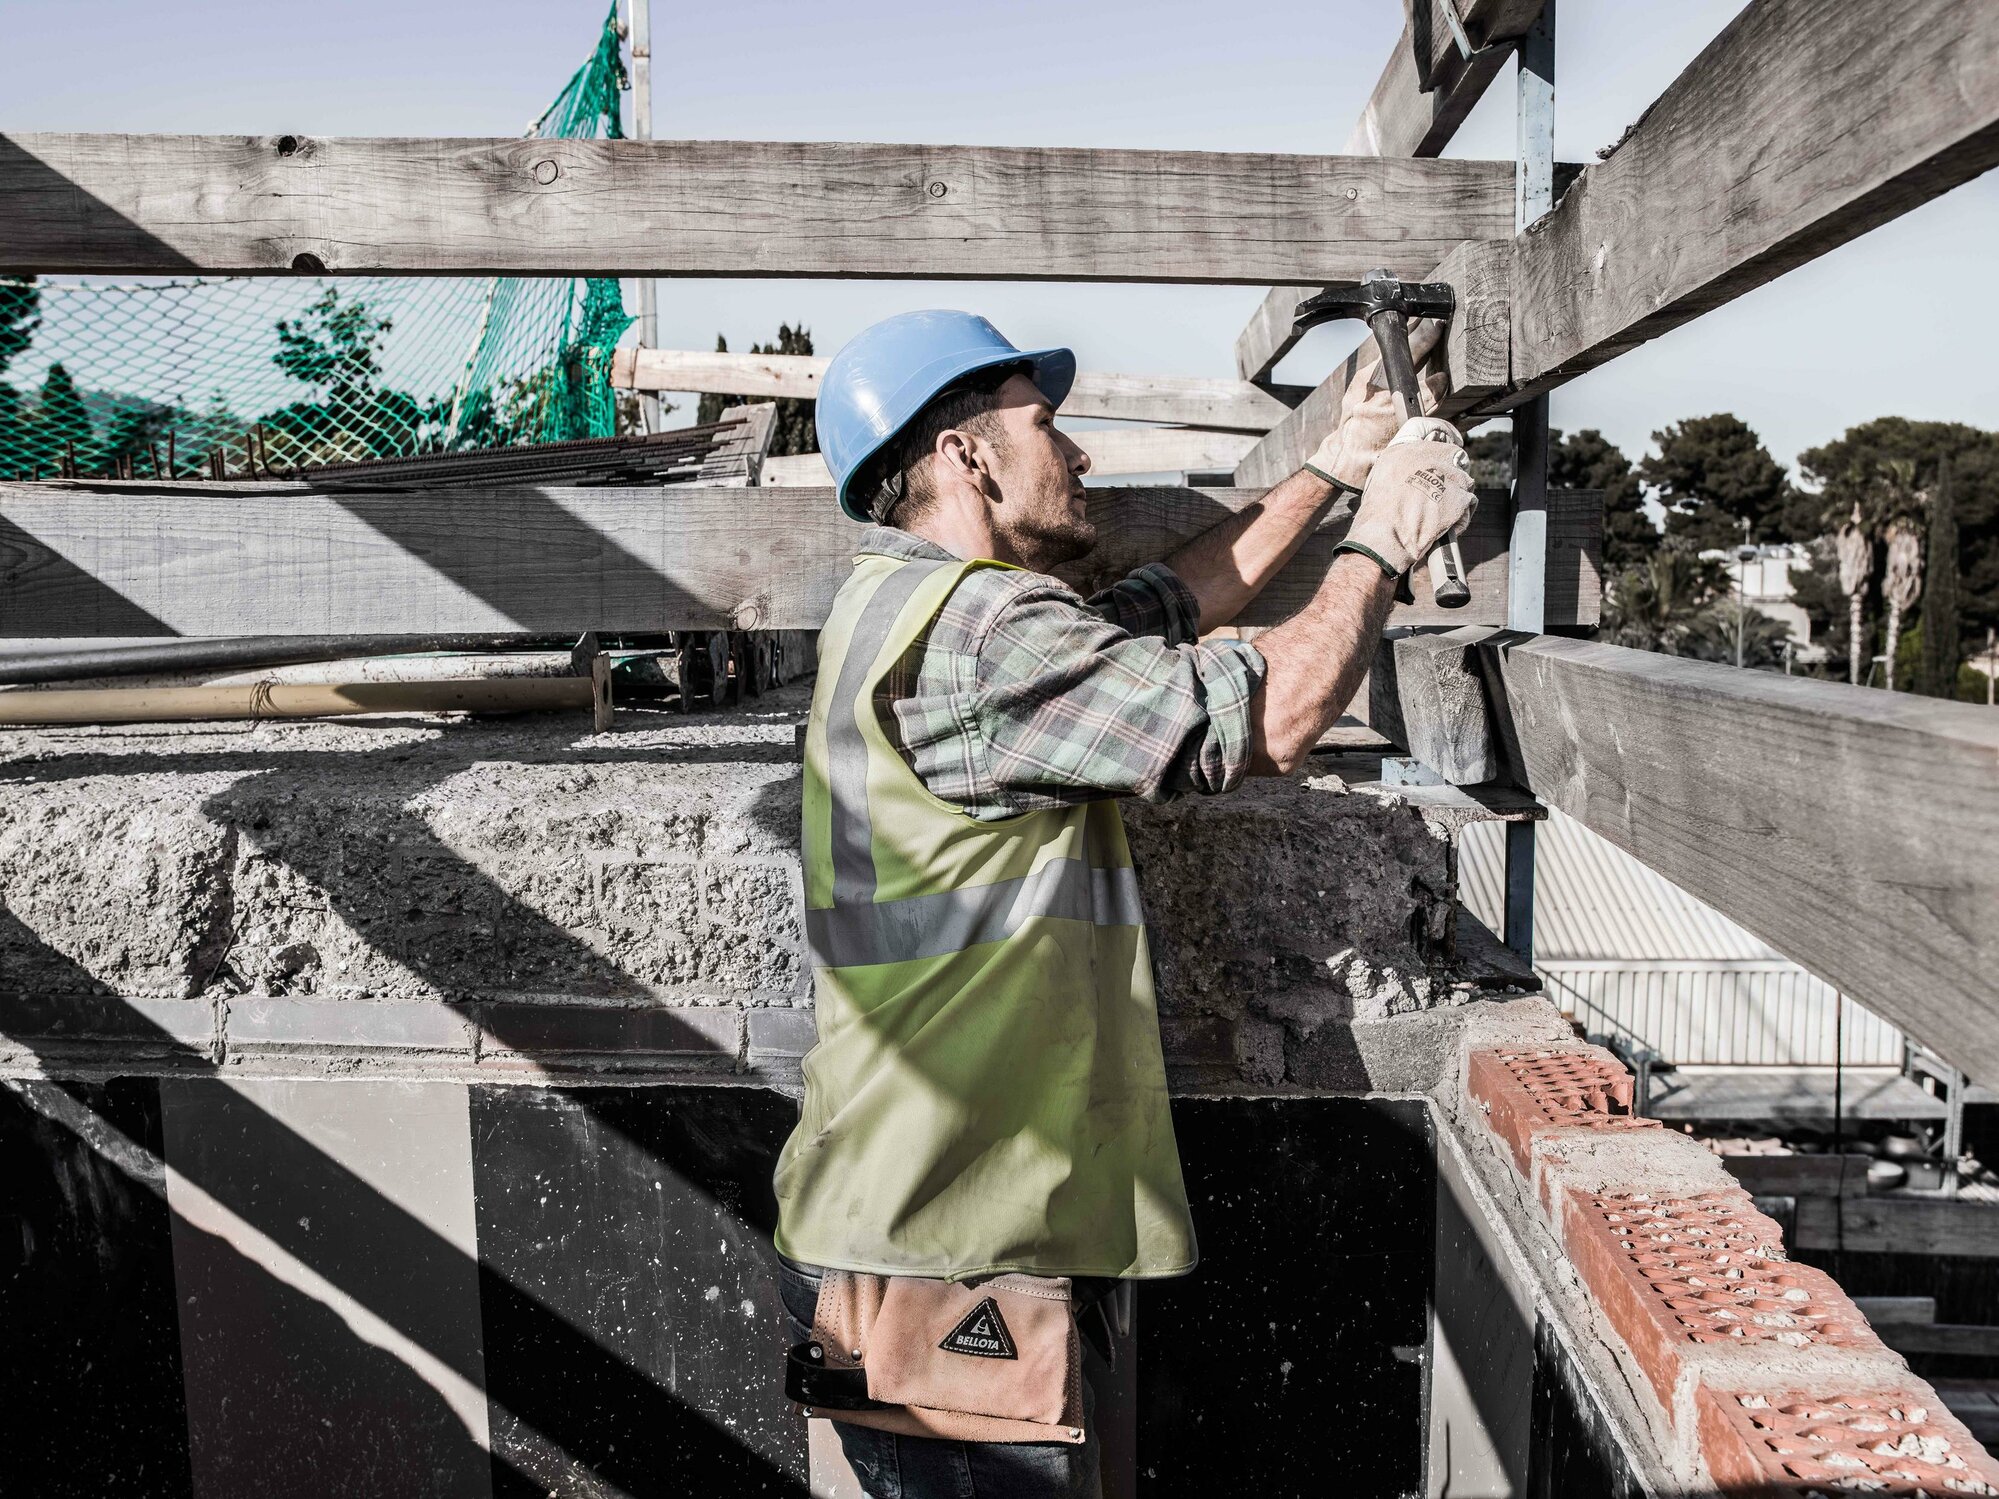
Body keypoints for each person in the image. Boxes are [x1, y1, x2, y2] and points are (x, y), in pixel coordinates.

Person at [772, 309, 1475, 1498]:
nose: (1079, 453)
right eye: (1046, 424)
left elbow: (1150, 616)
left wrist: (1331, 467)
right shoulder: (985, 632)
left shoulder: (902, 611)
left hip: (904, 1212)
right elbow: (1268, 718)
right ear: (966, 453)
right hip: (959, 1242)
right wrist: (1383, 544)